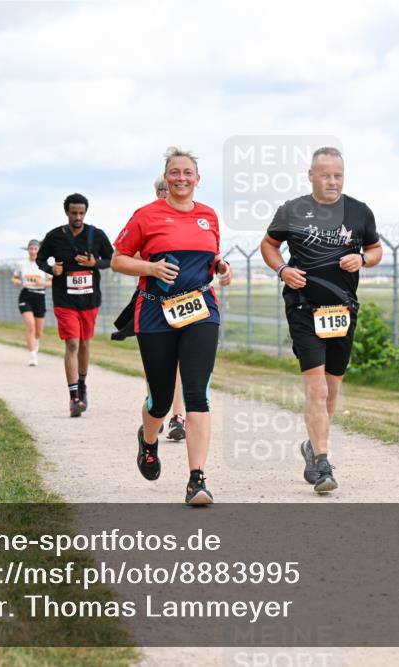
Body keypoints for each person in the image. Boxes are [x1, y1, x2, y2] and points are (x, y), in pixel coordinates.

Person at [111, 146, 232, 505]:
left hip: (200, 310)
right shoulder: (146, 216)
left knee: (197, 395)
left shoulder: (208, 215)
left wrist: (221, 267)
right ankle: (148, 441)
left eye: (187, 172)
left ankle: (197, 479)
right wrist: (150, 268)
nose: (181, 178)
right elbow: (118, 260)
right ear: (166, 178)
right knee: (161, 401)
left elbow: (210, 257)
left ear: (198, 178)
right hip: (154, 312)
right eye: (175, 172)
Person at [259, 146, 382, 494]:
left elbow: (375, 249)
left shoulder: (359, 211)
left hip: (342, 310)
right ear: (311, 176)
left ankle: (313, 446)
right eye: (325, 175)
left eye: (338, 175)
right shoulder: (292, 210)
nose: (332, 181)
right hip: (303, 307)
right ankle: (324, 462)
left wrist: (362, 260)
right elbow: (268, 245)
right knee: (316, 387)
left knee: (332, 388)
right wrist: (282, 269)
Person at [36, 194, 114, 417]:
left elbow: (113, 259)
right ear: (66, 212)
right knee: (72, 344)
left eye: (81, 213)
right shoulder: (55, 236)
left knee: (85, 343)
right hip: (64, 300)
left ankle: (82, 384)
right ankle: (74, 398)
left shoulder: (96, 235)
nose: (78, 217)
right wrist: (51, 269)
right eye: (74, 213)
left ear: (85, 212)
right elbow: (40, 259)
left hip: (89, 300)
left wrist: (95, 263)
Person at [155, 177, 186, 441]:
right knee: (157, 364)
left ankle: (178, 416)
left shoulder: (191, 218)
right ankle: (155, 411)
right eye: (162, 190)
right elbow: (128, 256)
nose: (166, 193)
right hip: (154, 301)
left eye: (169, 189)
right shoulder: (147, 218)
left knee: (180, 364)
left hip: (185, 300)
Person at [11, 239, 51, 366]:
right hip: (26, 295)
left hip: (40, 296)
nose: (33, 251)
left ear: (39, 250)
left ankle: (36, 341)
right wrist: (16, 281)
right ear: (28, 250)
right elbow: (14, 278)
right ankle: (32, 356)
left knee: (38, 331)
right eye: (31, 249)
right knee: (30, 325)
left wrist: (43, 283)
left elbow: (53, 282)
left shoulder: (44, 265)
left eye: (35, 249)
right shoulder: (21, 264)